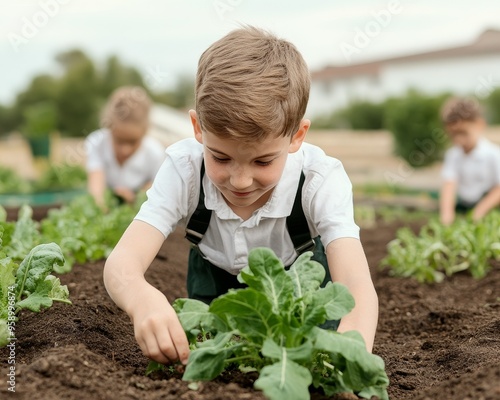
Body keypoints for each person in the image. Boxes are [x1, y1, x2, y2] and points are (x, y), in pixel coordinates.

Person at [103, 26, 378, 366]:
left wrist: (352, 352)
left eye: (263, 161)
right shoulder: (184, 169)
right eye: (220, 157)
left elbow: (355, 283)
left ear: (297, 136)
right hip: (214, 285)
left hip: (300, 297)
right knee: (210, 358)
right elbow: (121, 264)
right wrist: (142, 299)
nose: (241, 180)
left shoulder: (320, 179)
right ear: (198, 128)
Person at [85, 86, 165, 207]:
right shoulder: (97, 142)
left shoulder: (154, 152)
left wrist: (137, 196)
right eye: (119, 140)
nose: (125, 149)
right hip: (109, 201)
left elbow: (157, 186)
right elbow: (96, 181)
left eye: (133, 142)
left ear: (145, 132)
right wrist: (100, 204)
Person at [439, 96, 500, 225]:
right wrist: (447, 215)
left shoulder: (493, 154)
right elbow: (449, 185)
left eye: (463, 133)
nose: (459, 140)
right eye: (453, 134)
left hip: (489, 209)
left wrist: (479, 212)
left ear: (480, 124)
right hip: (464, 206)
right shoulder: (453, 155)